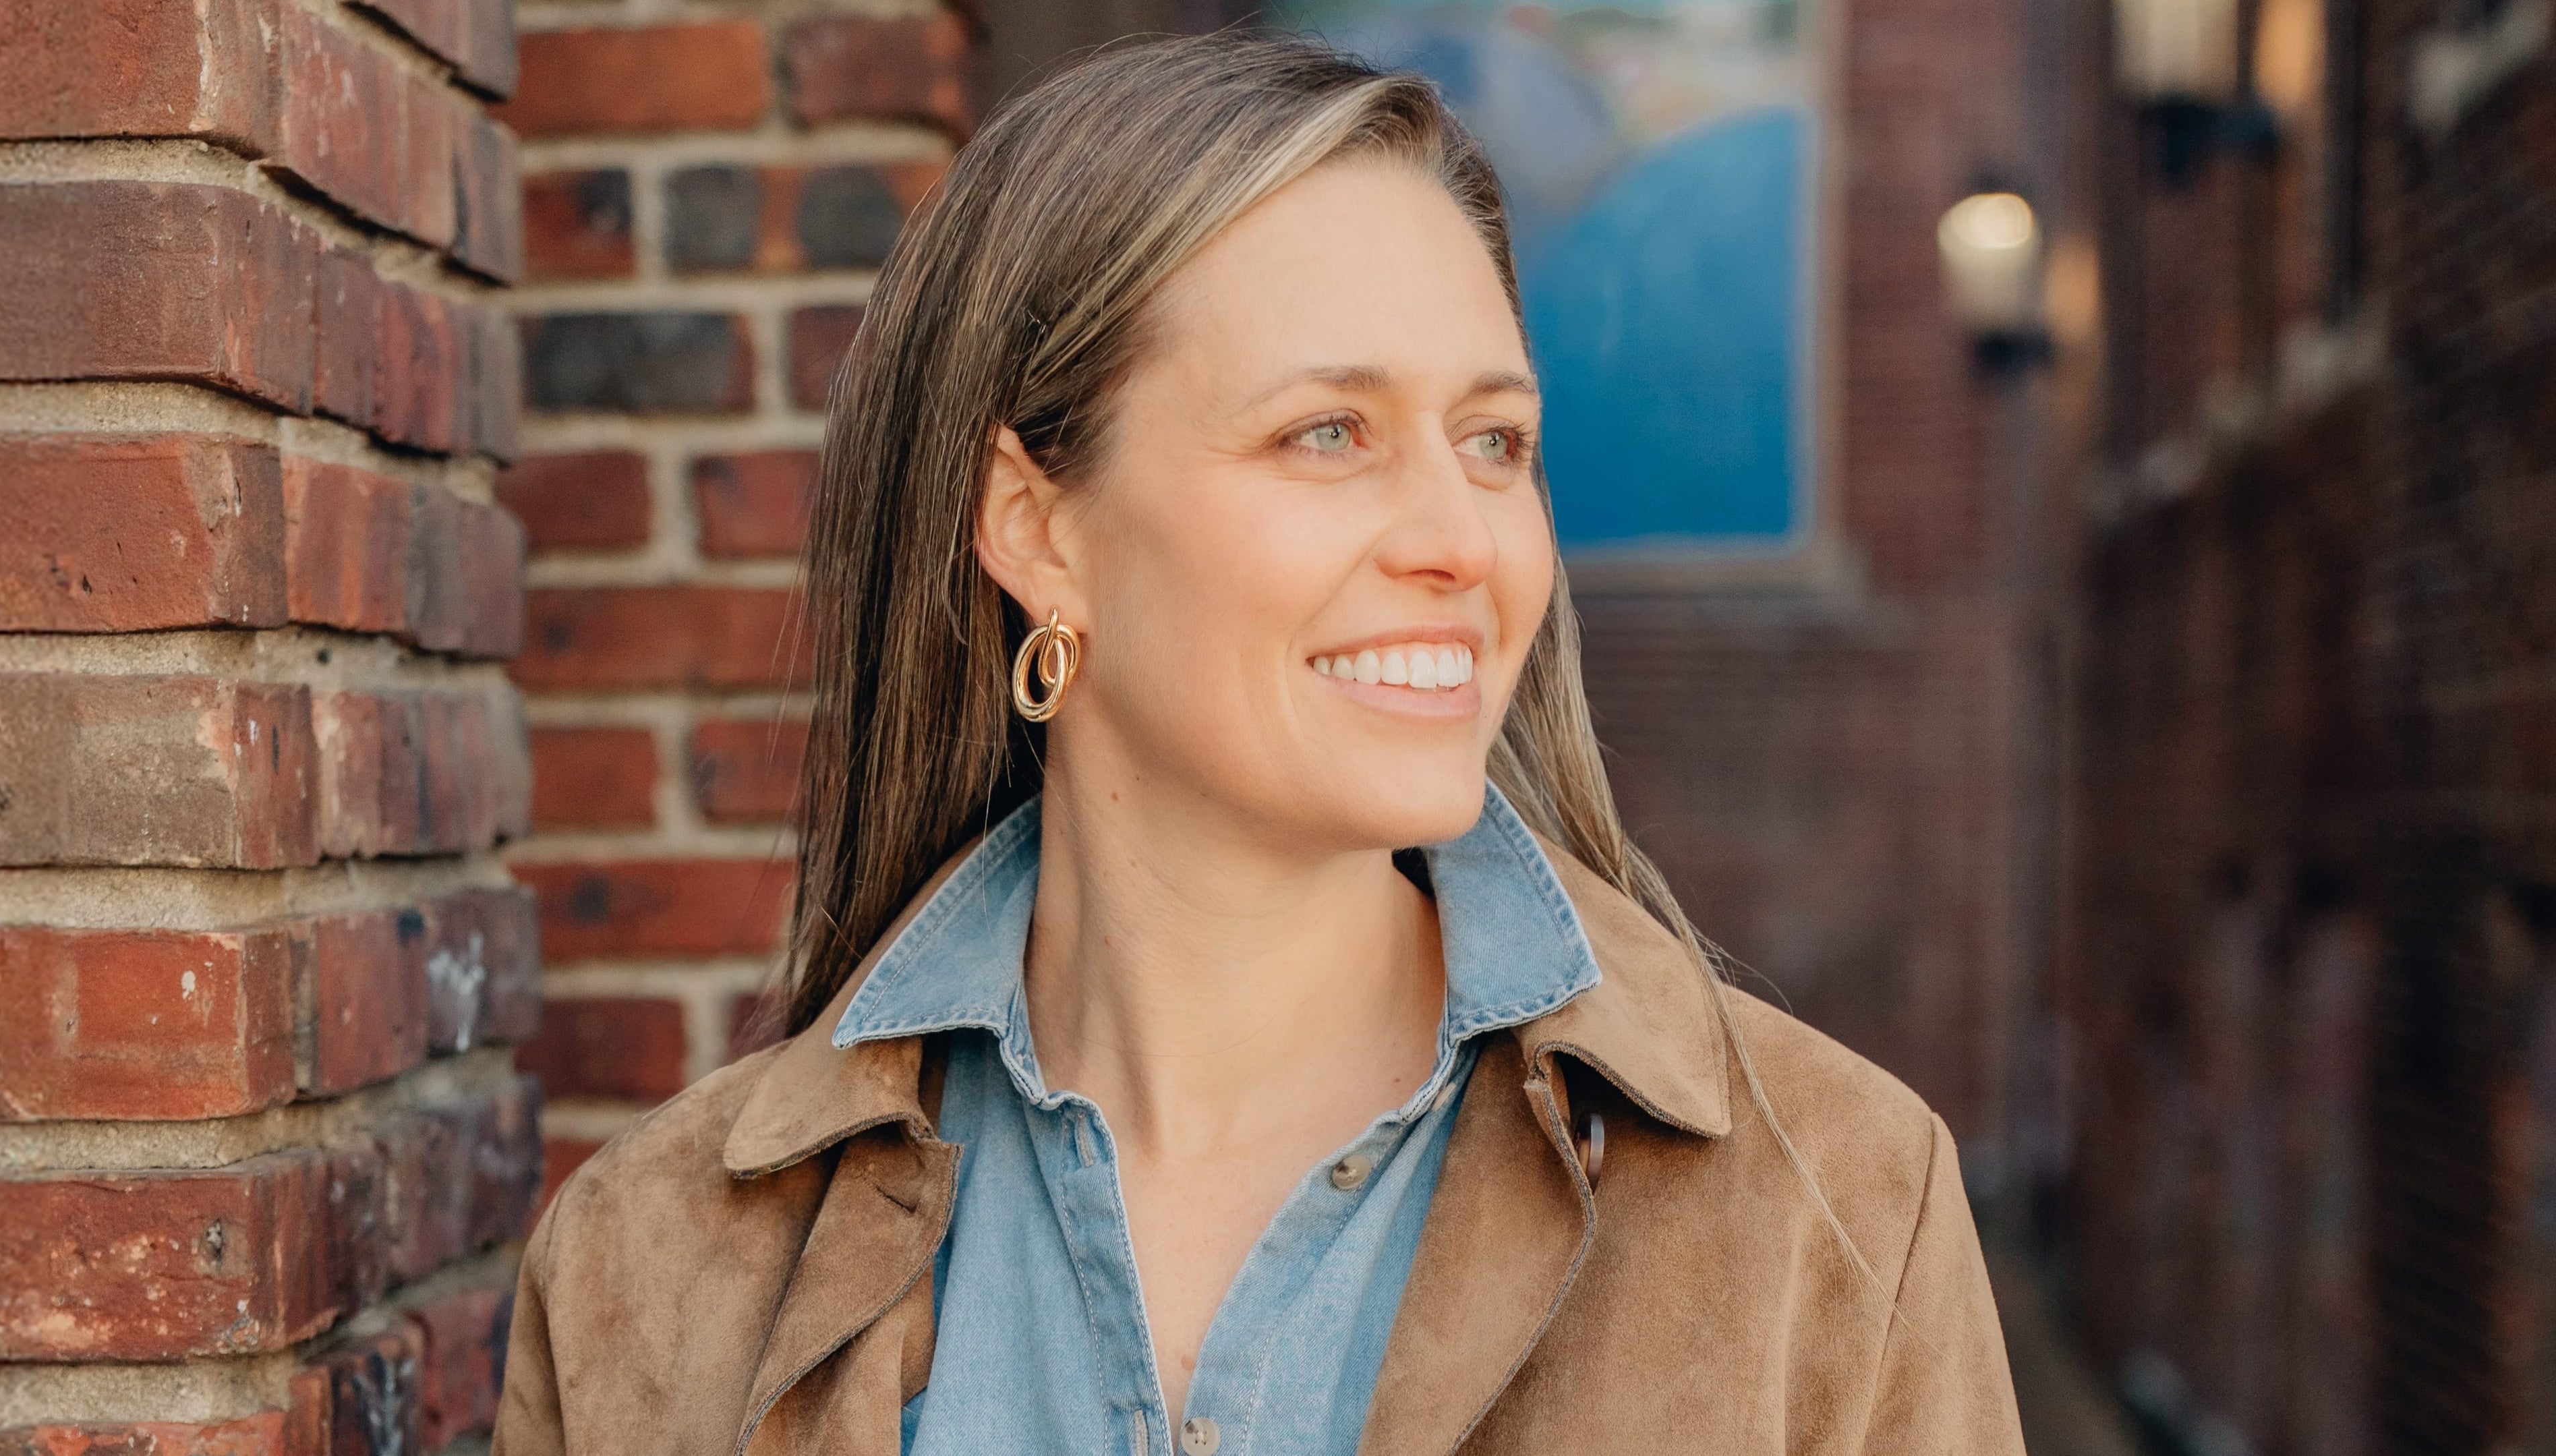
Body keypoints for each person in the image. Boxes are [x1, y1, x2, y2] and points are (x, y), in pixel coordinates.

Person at [494, 30, 2022, 1456]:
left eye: (1494, 441)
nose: (1460, 540)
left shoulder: (1836, 1215)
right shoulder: (655, 1271)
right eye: (1329, 434)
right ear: (1036, 527)